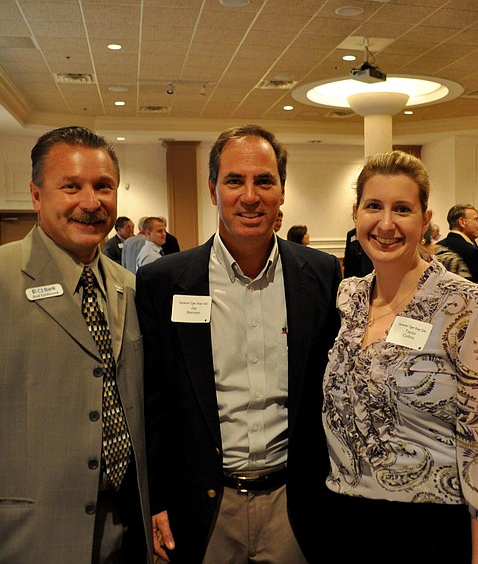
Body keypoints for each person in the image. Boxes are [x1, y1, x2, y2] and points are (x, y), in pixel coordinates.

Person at [0, 126, 151, 562]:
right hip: (24, 542)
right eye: (71, 186)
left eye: (103, 187)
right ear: (36, 195)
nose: (90, 202)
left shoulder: (129, 287)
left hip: (124, 535)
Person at [136, 124, 341, 563]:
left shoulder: (321, 276)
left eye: (264, 180)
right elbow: (154, 402)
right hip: (204, 508)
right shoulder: (165, 282)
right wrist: (157, 499)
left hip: (295, 504)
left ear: (282, 191)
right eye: (235, 181)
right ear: (213, 189)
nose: (250, 196)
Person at [322, 150, 478, 562]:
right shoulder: (349, 298)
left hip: (436, 531)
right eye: (373, 207)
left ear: (425, 219)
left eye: (402, 209)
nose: (385, 224)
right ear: (355, 213)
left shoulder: (470, 308)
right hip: (349, 523)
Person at [435, 203, 478, 284]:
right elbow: (476, 288)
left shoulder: (437, 246)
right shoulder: (469, 250)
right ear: (462, 222)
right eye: (476, 219)